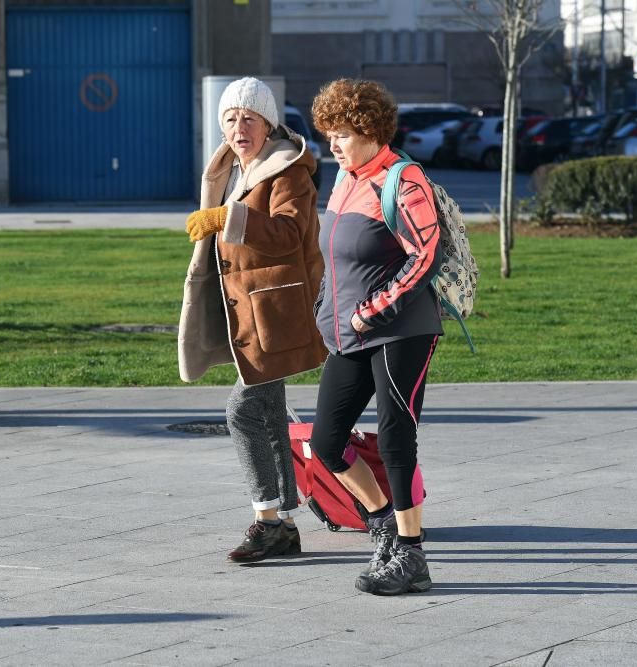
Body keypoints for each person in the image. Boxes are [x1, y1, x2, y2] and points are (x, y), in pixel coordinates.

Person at [178, 77, 326, 563]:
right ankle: (284, 524)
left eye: (249, 118)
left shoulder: (289, 171)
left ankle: (266, 520)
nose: (239, 127)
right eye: (230, 118)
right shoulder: (231, 168)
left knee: (242, 411)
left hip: (276, 312)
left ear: (268, 123)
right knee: (267, 412)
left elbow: (287, 234)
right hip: (249, 309)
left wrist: (227, 217)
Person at [308, 79, 442, 595]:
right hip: (348, 333)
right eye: (329, 134)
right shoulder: (344, 178)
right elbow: (338, 256)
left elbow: (423, 255)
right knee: (327, 441)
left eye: (342, 133)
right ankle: (381, 521)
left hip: (402, 330)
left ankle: (411, 555)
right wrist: (328, 309)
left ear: (369, 130)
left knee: (394, 440)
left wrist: (373, 308)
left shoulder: (403, 180)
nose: (334, 144)